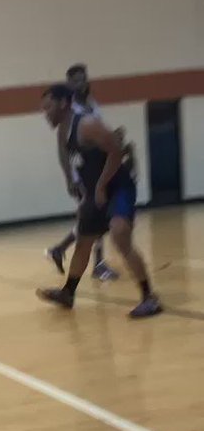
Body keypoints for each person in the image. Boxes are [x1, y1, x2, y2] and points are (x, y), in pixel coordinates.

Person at [37, 84, 162, 319]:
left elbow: (116, 151)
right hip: (94, 191)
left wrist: (102, 185)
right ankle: (68, 293)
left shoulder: (86, 124)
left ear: (63, 103)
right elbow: (67, 155)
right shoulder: (63, 130)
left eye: (48, 107)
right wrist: (73, 181)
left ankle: (149, 298)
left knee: (120, 234)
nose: (45, 113)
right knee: (83, 241)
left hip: (117, 187)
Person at [45, 64, 118, 281]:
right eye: (75, 80)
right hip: (81, 174)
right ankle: (98, 264)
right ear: (69, 84)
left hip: (95, 169)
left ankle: (60, 249)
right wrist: (69, 178)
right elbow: (62, 149)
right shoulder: (68, 111)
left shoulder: (92, 105)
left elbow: (98, 135)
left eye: (83, 78)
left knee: (91, 218)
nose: (81, 83)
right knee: (96, 216)